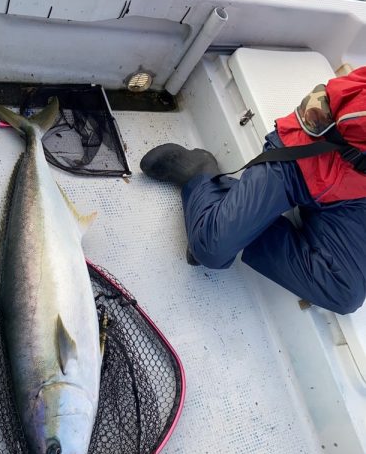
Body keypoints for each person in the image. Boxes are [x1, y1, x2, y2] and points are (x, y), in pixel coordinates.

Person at [140, 66, 366, 315]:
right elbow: (349, 112)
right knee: (210, 248)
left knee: (345, 292)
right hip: (305, 156)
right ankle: (200, 175)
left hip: (353, 194)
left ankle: (241, 219)